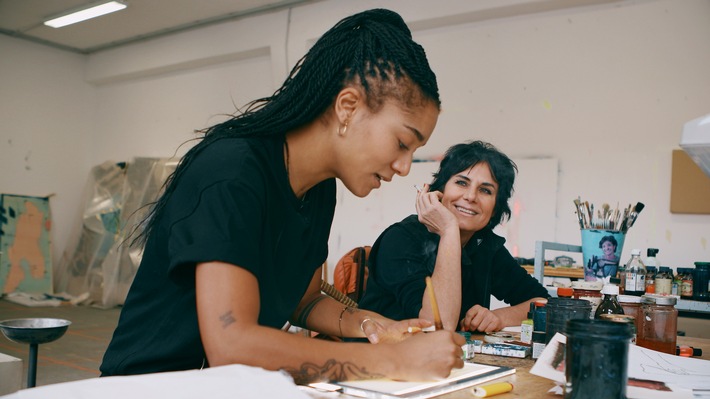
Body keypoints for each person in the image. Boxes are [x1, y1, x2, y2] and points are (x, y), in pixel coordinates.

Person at [100, 9, 465, 384]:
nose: (404, 166)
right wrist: (392, 361)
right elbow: (231, 345)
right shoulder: (232, 171)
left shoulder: (320, 190)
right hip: (148, 386)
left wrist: (375, 326)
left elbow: (304, 302)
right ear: (348, 107)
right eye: (402, 143)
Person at [359, 141, 549, 333]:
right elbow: (437, 327)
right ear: (439, 191)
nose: (471, 196)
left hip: (448, 359)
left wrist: (498, 318)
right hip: (381, 357)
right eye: (461, 183)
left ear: (495, 209)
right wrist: (449, 231)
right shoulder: (401, 239)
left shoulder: (483, 244)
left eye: (485, 190)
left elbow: (542, 303)